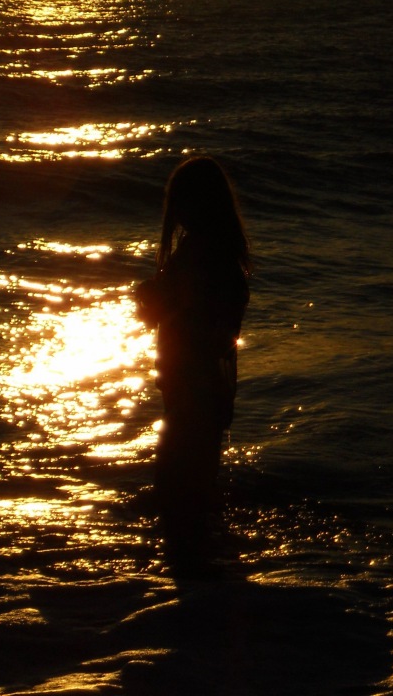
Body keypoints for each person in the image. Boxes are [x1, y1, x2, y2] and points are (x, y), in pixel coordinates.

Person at [136, 156, 250, 548]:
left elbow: (180, 315)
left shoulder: (198, 254)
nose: (177, 212)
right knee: (195, 489)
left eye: (181, 201)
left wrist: (149, 298)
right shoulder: (223, 254)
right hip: (209, 386)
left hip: (192, 385)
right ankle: (204, 567)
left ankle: (192, 569)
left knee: (176, 490)